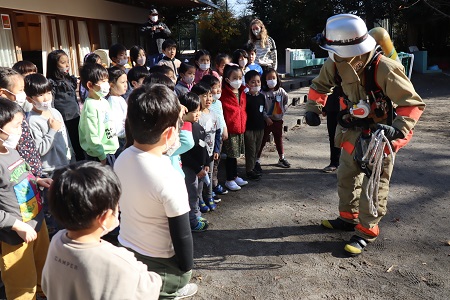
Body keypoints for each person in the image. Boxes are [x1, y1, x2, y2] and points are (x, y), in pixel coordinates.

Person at [305, 14, 425, 256]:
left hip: (381, 136)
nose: (332, 54)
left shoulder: (384, 68)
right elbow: (320, 85)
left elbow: (412, 103)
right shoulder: (337, 61)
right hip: (352, 130)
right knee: (346, 175)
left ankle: (366, 231)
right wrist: (312, 109)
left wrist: (399, 129)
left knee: (374, 186)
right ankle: (348, 218)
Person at [114, 84, 197, 299]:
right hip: (161, 264)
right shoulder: (169, 178)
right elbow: (183, 234)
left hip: (127, 250)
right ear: (169, 133)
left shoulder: (122, 159)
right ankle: (174, 289)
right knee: (177, 281)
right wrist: (186, 269)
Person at [42, 161, 162, 299]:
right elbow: (150, 289)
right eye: (117, 205)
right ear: (104, 216)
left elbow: (46, 286)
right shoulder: (119, 262)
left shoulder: (57, 241)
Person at [0, 97, 52, 300]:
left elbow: (22, 173)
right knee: (22, 287)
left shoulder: (9, 150)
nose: (21, 130)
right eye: (16, 125)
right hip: (15, 235)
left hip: (37, 223)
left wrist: (38, 180)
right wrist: (17, 226)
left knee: (43, 274)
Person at [0, 67, 43, 177]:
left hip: (32, 168)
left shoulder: (17, 110)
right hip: (17, 173)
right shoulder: (4, 117)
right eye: (20, 90)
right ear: (3, 92)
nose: (23, 93)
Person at [46, 50, 84, 161]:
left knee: (79, 144)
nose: (67, 65)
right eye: (63, 62)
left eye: (68, 62)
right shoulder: (51, 82)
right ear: (54, 65)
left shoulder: (69, 79)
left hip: (76, 116)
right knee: (69, 145)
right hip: (63, 119)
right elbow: (51, 103)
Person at [179, 92, 210, 232]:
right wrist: (198, 168)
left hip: (200, 168)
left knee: (197, 192)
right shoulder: (183, 130)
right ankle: (192, 222)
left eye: (198, 110)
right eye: (194, 111)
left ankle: (196, 215)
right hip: (190, 169)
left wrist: (207, 163)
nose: (197, 114)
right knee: (190, 194)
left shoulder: (197, 126)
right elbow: (185, 155)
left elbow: (204, 146)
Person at [78, 63, 119, 166]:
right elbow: (92, 135)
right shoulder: (90, 106)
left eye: (107, 81)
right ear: (90, 85)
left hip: (110, 150)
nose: (107, 85)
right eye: (103, 81)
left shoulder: (103, 101)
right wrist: (101, 156)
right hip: (99, 155)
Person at [191, 83, 221, 211]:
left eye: (210, 95)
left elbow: (218, 132)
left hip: (210, 152)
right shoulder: (196, 116)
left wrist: (217, 149)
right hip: (199, 153)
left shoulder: (213, 114)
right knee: (201, 177)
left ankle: (209, 196)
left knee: (210, 172)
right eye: (204, 96)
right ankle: (199, 199)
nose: (208, 99)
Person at [199, 75, 229, 197]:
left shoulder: (219, 103)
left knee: (216, 163)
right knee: (208, 165)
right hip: (207, 138)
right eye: (214, 88)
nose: (218, 91)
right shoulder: (206, 105)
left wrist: (224, 129)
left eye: (219, 88)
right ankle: (208, 189)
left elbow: (221, 118)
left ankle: (213, 185)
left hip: (218, 136)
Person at [221, 64, 248, 191]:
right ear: (227, 79)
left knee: (236, 154)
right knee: (231, 156)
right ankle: (229, 179)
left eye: (240, 77)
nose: (238, 80)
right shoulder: (224, 93)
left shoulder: (242, 91)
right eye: (235, 78)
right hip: (230, 129)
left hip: (240, 127)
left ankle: (235, 176)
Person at [256, 68, 290, 170]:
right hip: (266, 122)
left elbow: (286, 101)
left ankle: (281, 158)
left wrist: (283, 110)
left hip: (278, 121)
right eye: (269, 78)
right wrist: (266, 118)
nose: (272, 80)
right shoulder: (262, 93)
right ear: (265, 80)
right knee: (262, 140)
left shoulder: (281, 92)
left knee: (278, 139)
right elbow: (261, 108)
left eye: (274, 78)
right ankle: (257, 159)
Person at [244, 70, 266, 180]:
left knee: (257, 148)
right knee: (251, 150)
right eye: (253, 82)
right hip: (249, 128)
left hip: (260, 127)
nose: (256, 84)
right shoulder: (245, 97)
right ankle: (249, 170)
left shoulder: (262, 97)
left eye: (258, 81)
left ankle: (254, 166)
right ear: (247, 84)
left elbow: (263, 111)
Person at [107, 67, 128, 155]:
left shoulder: (120, 98)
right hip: (121, 140)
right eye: (122, 82)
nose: (125, 85)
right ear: (111, 85)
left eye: (126, 82)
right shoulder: (113, 101)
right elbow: (117, 127)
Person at [322, 86, 342, 173]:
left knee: (350, 136)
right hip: (331, 108)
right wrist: (324, 107)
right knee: (333, 136)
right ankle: (334, 162)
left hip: (347, 108)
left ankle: (349, 164)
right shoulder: (329, 73)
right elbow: (324, 87)